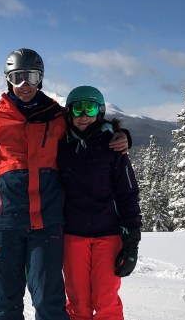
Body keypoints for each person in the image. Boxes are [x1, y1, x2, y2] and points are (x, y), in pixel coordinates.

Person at [0, 49, 129, 320]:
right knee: (5, 299)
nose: (25, 85)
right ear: (8, 79)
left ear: (40, 79)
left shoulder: (57, 116)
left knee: (49, 300)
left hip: (48, 222)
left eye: (30, 77)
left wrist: (119, 134)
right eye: (18, 78)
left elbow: (89, 128)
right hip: (6, 222)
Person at [58, 86, 142, 320]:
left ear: (100, 112)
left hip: (109, 235)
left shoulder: (113, 147)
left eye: (90, 108)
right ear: (69, 112)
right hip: (73, 236)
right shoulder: (60, 146)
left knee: (106, 302)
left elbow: (129, 194)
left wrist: (131, 241)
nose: (83, 115)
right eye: (77, 109)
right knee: (78, 304)